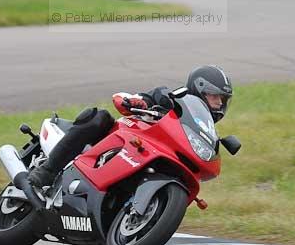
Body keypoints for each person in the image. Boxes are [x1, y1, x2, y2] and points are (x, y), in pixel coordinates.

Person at [28, 65, 233, 189]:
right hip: (127, 139)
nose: (219, 104)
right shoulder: (168, 98)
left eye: (223, 99)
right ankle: (48, 170)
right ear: (199, 90)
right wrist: (138, 102)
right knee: (99, 117)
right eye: (215, 97)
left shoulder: (202, 129)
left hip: (153, 156)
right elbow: (138, 98)